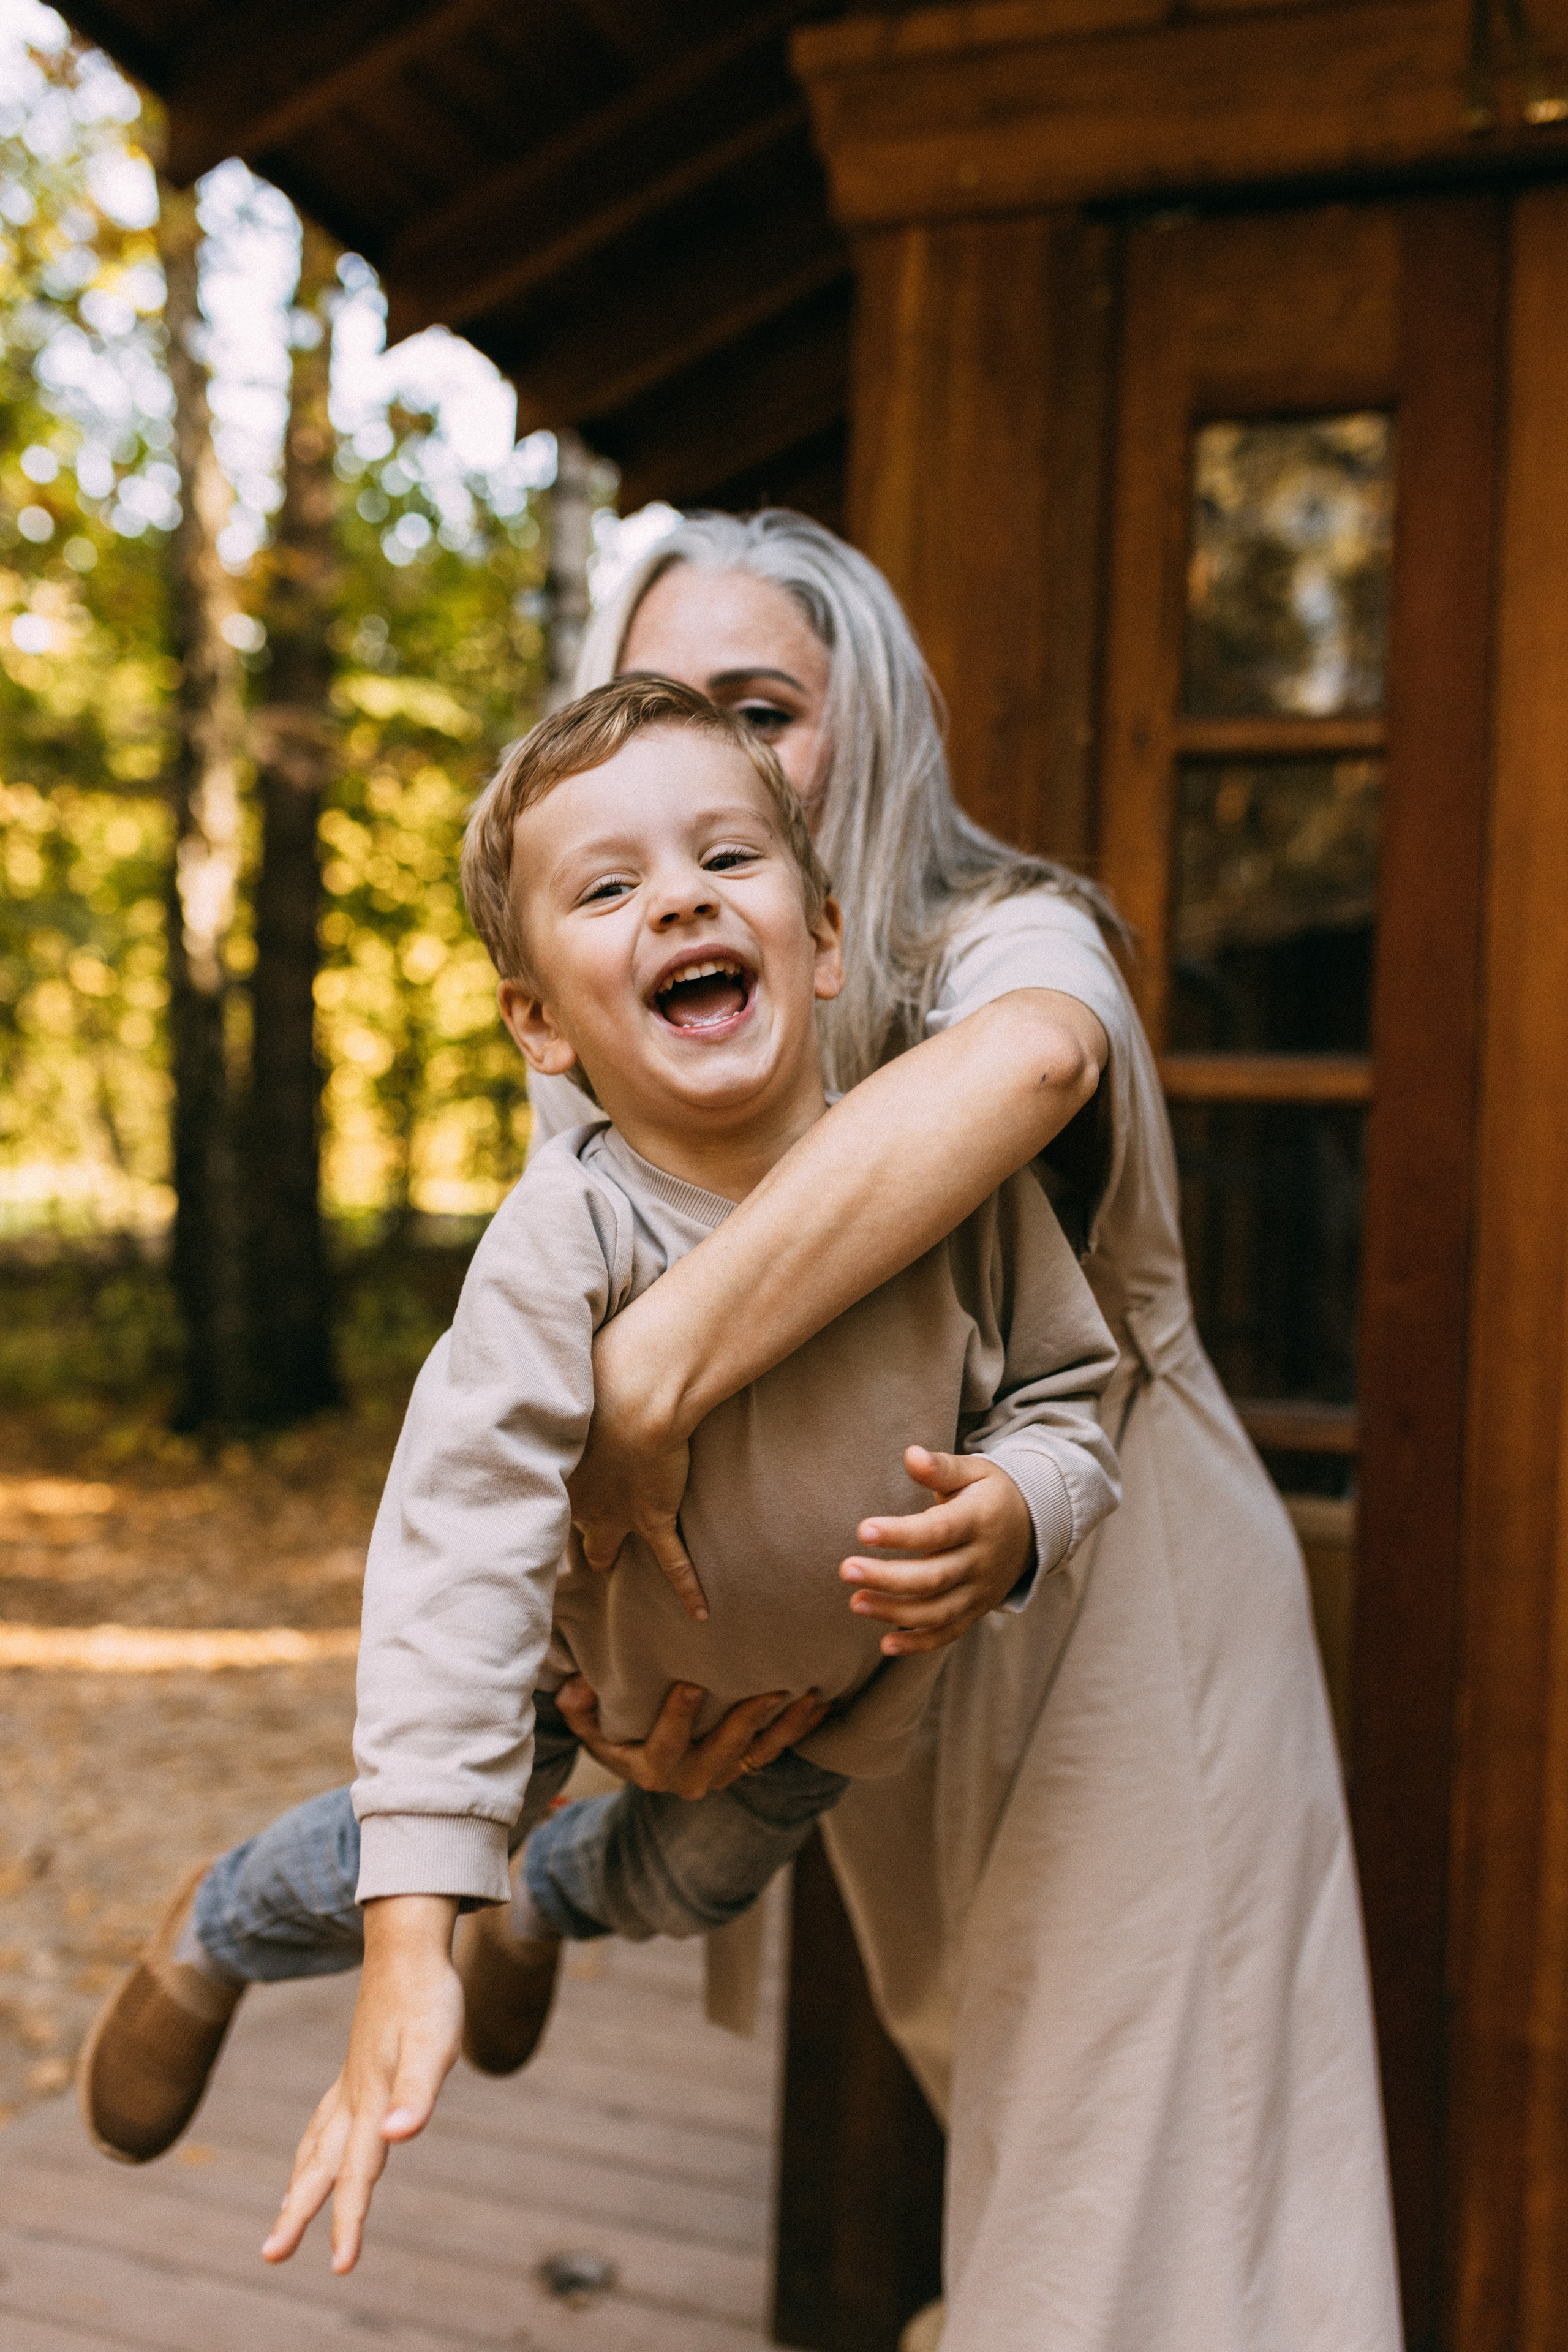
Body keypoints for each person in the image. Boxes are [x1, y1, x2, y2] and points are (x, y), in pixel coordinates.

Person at [77, 677, 1121, 2257]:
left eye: (725, 860)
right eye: (611, 886)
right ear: (542, 1022)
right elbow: (457, 1544)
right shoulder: (568, 1236)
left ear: (823, 940)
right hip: (573, 1680)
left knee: (691, 1886)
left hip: (825, 1713)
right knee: (416, 1838)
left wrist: (1026, 1510)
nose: (681, 896)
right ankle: (223, 1926)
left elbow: (1069, 1395)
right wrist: (413, 1938)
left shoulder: (951, 1187)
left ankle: (551, 1905)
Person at [518, 511, 1404, 2352]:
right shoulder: (682, 1063)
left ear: (877, 732)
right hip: (898, 1714)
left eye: (763, 708)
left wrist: (652, 1377)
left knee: (1148, 2251)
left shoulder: (1009, 939)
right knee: (1041, 2193)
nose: (713, 754)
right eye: (656, 707)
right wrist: (624, 1701)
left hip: (1132, 1679)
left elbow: (1032, 1069)